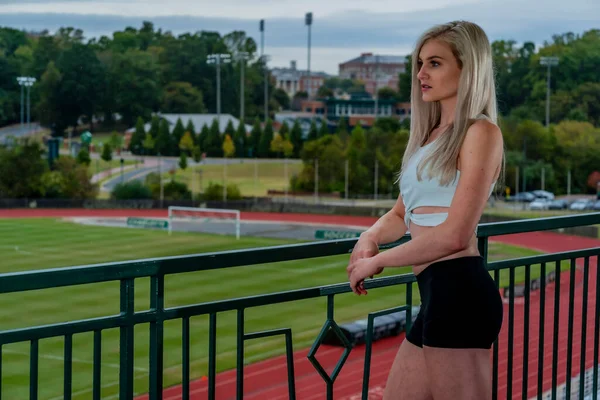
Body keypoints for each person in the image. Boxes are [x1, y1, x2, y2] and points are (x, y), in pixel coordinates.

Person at [346, 21, 504, 400]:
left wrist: (376, 262)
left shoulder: (480, 132)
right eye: (420, 63)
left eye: (434, 63)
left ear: (467, 69)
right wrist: (369, 236)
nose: (420, 74)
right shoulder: (430, 137)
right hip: (435, 296)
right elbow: (402, 215)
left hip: (459, 294)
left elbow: (454, 235)